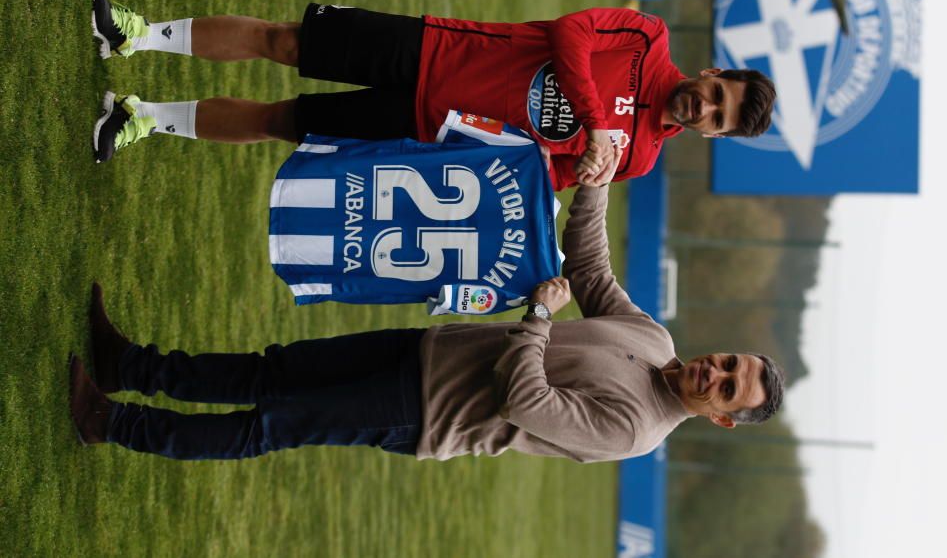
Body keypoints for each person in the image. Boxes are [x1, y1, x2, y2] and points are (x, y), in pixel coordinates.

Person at [69, 181, 785, 462]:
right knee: (272, 366)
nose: (714, 371)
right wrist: (594, 189)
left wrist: (537, 315)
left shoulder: (634, 430)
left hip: (426, 410)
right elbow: (594, 275)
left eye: (727, 388)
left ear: (719, 417)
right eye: (728, 362)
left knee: (272, 422)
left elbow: (525, 401)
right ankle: (130, 367)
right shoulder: (655, 340)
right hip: (429, 349)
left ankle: (113, 422)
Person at [89, 0, 776, 189]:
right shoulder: (646, 39)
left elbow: (536, 175)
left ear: (714, 134)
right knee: (286, 42)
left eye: (718, 120)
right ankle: (138, 34)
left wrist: (578, 173)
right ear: (715, 73)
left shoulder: (640, 159)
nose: (706, 108)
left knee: (282, 121)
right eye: (718, 94)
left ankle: (144, 119)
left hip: (425, 129)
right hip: (438, 49)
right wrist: (596, 121)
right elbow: (569, 34)